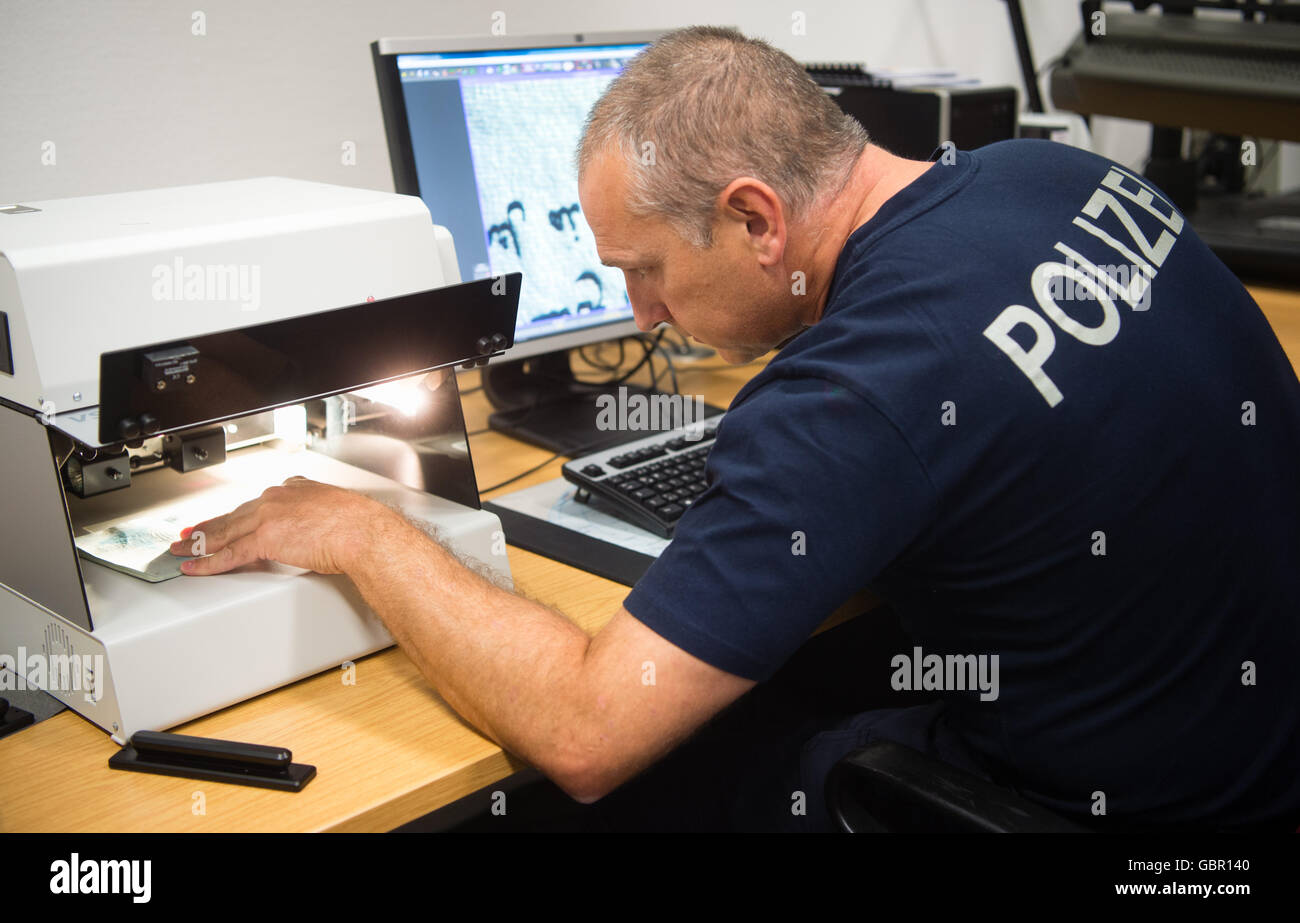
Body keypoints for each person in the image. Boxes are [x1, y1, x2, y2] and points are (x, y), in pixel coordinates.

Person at [169, 26, 1300, 831]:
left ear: (754, 216)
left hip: (1136, 809)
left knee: (586, 786)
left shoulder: (849, 394)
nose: (643, 314)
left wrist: (366, 530)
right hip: (1254, 737)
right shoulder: (1043, 172)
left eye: (646, 270)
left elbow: (586, 730)